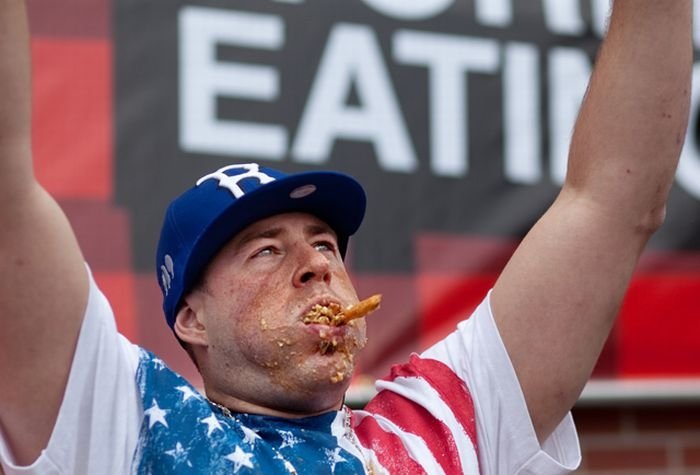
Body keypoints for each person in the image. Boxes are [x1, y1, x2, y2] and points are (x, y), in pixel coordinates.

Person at [0, 0, 692, 473]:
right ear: (190, 317)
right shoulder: (123, 417)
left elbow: (611, 200)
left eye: (326, 244)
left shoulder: (444, 421)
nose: (314, 266)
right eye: (266, 250)